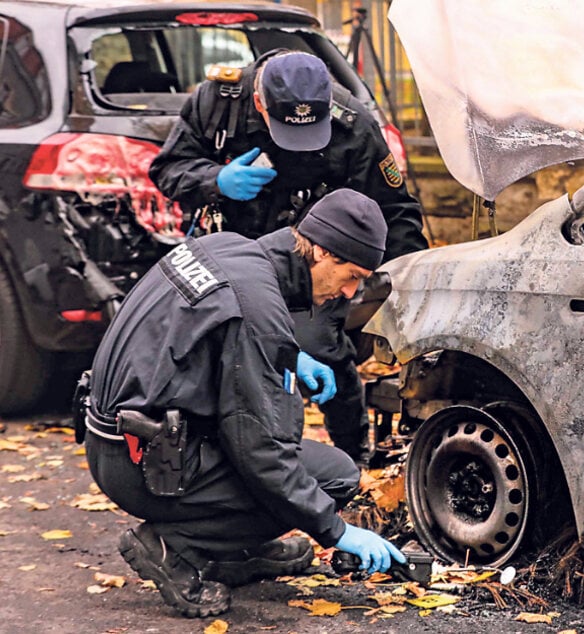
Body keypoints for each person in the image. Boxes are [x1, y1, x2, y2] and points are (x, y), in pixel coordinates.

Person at [81, 189, 406, 618]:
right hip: (147, 468)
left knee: (297, 468)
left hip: (116, 439)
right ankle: (175, 549)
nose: (349, 292)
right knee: (333, 479)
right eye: (350, 275)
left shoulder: (228, 248)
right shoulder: (258, 309)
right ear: (322, 250)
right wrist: (337, 531)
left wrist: (288, 356)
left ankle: (238, 551)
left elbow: (202, 340)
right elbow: (263, 452)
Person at [149, 50, 428, 464]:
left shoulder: (351, 123)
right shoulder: (216, 104)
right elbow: (167, 169)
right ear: (260, 101)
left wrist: (410, 287)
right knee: (229, 362)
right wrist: (215, 181)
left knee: (321, 353)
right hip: (232, 257)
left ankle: (353, 458)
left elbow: (397, 211)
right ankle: (224, 458)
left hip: (312, 264)